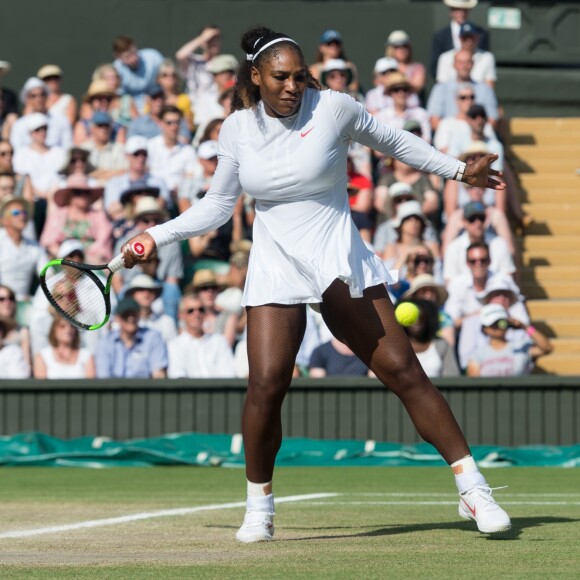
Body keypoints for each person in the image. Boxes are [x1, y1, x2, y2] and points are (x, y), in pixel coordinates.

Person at [121, 26, 511, 542]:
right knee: (265, 386)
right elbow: (218, 205)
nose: (292, 86)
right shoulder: (236, 129)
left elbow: (395, 142)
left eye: (300, 76)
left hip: (336, 254)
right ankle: (259, 506)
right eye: (280, 77)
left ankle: (473, 487)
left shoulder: (334, 107)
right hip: (276, 263)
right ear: (255, 77)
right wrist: (156, 234)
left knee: (404, 371)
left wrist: (460, 171)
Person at [467, 303, 552, 376]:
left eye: (501, 323)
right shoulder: (477, 355)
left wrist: (525, 327)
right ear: (484, 328)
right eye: (493, 324)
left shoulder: (522, 347)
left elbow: (547, 348)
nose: (497, 327)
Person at [167, 292, 236, 378]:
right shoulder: (175, 345)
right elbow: (177, 376)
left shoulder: (219, 341)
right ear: (181, 315)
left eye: (201, 310)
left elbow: (228, 374)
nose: (197, 314)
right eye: (190, 311)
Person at [94, 297, 168, 378]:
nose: (130, 318)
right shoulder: (105, 343)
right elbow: (103, 378)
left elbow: (158, 375)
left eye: (134, 313)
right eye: (125, 314)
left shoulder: (152, 337)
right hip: (113, 390)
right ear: (118, 318)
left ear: (139, 315)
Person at [443, 202, 514, 284]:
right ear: (464, 222)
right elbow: (450, 282)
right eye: (472, 219)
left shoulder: (500, 244)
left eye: (481, 218)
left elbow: (508, 278)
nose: (478, 223)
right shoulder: (453, 248)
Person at [427, 51, 499, 131]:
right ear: (454, 65)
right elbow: (434, 122)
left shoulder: (485, 89)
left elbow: (493, 121)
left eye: (467, 62)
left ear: (473, 64)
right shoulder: (440, 88)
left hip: (478, 137)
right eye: (460, 62)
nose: (464, 66)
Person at [103, 135, 170, 218]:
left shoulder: (159, 181)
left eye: (144, 154)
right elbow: (113, 210)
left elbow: (163, 205)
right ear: (127, 156)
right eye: (136, 154)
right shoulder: (114, 183)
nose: (141, 158)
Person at [175, 25, 223, 127]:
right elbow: (180, 55)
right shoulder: (193, 62)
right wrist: (203, 38)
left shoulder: (225, 64)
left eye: (216, 39)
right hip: (195, 115)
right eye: (210, 39)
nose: (213, 43)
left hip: (217, 114)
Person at [0, 196, 46, 301]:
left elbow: (48, 277)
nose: (22, 216)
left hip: (23, 303)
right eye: (16, 213)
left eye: (24, 213)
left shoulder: (35, 247)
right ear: (3, 220)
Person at [399, 298, 459, 377]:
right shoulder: (395, 347)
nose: (417, 322)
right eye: (413, 317)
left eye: (421, 318)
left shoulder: (442, 345)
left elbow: (453, 378)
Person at [10, 77, 72, 152]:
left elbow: (67, 149)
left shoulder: (62, 121)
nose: (39, 99)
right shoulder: (19, 125)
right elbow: (16, 151)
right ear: (27, 99)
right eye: (34, 96)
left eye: (42, 94)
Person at [430, 0, 489, 78]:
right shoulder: (440, 36)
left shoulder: (481, 34)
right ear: (451, 11)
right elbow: (435, 68)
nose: (461, 13)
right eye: (457, 10)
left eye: (464, 10)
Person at [112, 36, 163, 114]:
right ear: (118, 56)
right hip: (132, 110)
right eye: (127, 56)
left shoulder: (153, 57)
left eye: (135, 52)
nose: (134, 58)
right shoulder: (116, 69)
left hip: (159, 101)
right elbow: (119, 97)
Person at [436, 23, 496, 87]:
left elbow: (490, 85)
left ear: (477, 38)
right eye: (465, 38)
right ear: (459, 38)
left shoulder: (487, 57)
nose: (469, 41)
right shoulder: (445, 58)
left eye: (471, 38)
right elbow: (442, 85)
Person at [124, 273, 178, 342]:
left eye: (150, 290)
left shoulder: (167, 322)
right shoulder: (124, 323)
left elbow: (172, 349)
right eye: (141, 289)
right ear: (132, 295)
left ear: (155, 295)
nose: (146, 294)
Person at [385, 30, 426, 96]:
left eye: (404, 46)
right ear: (391, 49)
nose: (402, 49)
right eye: (397, 46)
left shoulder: (418, 67)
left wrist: (398, 79)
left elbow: (418, 86)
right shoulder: (384, 66)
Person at [0, 283, 31, 367]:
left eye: (11, 298)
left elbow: (26, 365)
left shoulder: (23, 331)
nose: (7, 302)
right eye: (2, 299)